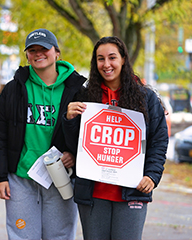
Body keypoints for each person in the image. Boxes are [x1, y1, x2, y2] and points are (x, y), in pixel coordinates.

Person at [62, 36, 168, 239]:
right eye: (100, 59)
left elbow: (159, 141)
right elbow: (75, 146)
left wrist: (152, 176)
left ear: (123, 60)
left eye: (112, 57)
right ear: (95, 63)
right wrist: (69, 119)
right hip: (92, 194)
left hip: (132, 191)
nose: (106, 64)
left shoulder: (145, 98)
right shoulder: (84, 97)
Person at [0, 28, 86, 239]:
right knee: (21, 235)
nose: (38, 53)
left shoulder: (78, 90)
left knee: (60, 235)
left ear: (56, 52)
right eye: (32, 50)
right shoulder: (14, 89)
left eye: (44, 48)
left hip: (60, 177)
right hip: (21, 179)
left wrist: (75, 155)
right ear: (26, 55)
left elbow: (87, 134)